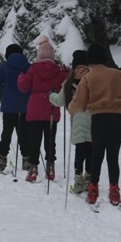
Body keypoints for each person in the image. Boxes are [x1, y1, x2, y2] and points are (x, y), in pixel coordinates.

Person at [69, 43, 121, 206]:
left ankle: (93, 188)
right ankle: (114, 190)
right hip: (118, 118)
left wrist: (70, 108)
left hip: (99, 118)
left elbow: (79, 103)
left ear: (90, 60)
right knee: (113, 155)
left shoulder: (88, 77)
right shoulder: (116, 74)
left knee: (97, 154)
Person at [16, 36, 69, 182]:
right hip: (52, 108)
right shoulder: (59, 70)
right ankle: (50, 166)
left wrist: (21, 76)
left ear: (39, 54)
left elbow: (23, 86)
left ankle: (33, 168)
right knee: (50, 140)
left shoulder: (33, 69)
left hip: (35, 109)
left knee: (34, 139)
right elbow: (65, 84)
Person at [49, 50, 91, 193]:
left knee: (80, 151)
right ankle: (89, 177)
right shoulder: (93, 78)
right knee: (91, 151)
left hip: (77, 119)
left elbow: (60, 101)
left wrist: (50, 95)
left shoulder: (69, 81)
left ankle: (78, 179)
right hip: (94, 119)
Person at [0, 43, 31, 171]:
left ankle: (2, 159)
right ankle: (26, 159)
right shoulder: (29, 67)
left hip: (8, 106)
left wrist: (2, 85)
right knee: (24, 133)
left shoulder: (5, 67)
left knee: (6, 132)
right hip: (25, 106)